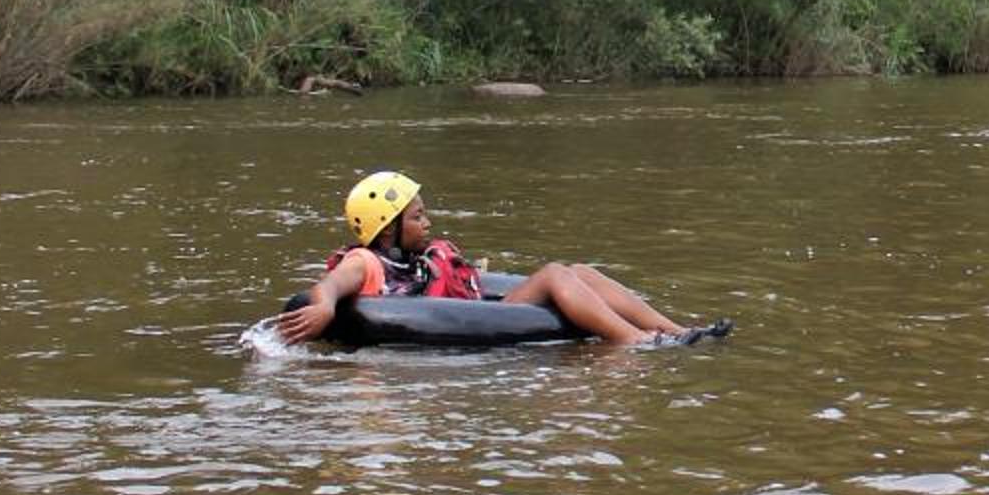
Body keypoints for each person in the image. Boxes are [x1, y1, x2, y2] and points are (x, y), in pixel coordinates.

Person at [272, 170, 716, 347]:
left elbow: (456, 283)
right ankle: (635, 343)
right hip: (457, 321)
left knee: (577, 271)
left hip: (465, 310)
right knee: (554, 275)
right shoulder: (367, 263)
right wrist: (326, 304)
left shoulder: (416, 257)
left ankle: (672, 328)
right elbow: (335, 281)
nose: (427, 224)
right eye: (418, 217)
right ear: (388, 228)